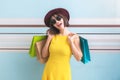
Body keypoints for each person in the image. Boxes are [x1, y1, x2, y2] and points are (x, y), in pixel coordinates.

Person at [41, 8, 83, 80]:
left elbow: (78, 58)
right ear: (53, 25)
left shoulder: (73, 37)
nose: (57, 22)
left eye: (58, 18)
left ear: (63, 18)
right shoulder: (52, 36)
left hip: (63, 73)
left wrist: (71, 43)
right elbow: (44, 55)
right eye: (53, 21)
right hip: (49, 71)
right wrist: (48, 39)